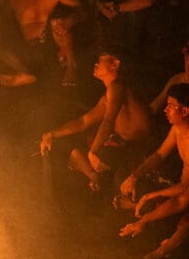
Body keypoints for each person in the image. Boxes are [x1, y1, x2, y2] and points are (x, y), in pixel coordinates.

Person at [40, 51, 151, 191]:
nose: (96, 64)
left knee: (97, 152)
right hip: (122, 147)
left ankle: (100, 179)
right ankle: (94, 176)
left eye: (101, 60)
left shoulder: (117, 86)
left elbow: (108, 121)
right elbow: (82, 122)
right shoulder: (106, 98)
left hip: (136, 149)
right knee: (57, 143)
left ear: (115, 64)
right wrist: (52, 133)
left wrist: (93, 151)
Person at [119, 84, 189, 259]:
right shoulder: (177, 130)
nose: (165, 110)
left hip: (185, 196)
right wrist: (134, 176)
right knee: (148, 197)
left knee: (185, 225)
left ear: (185, 111)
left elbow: (184, 197)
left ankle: (157, 255)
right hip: (181, 191)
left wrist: (152, 201)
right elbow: (159, 155)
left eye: (171, 106)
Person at [0, 0, 82, 87]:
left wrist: (69, 20)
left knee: (57, 22)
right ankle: (25, 73)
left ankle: (72, 66)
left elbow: (82, 8)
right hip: (24, 47)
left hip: (47, 45)